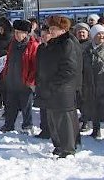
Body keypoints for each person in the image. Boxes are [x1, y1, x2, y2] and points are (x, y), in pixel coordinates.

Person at [36, 16, 80, 158]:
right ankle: (59, 145)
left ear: (63, 30)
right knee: (53, 120)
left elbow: (70, 69)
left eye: (54, 29)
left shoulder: (67, 43)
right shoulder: (54, 43)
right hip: (51, 89)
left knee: (64, 120)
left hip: (62, 89)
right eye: (50, 28)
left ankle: (68, 149)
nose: (51, 31)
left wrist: (54, 83)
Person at [0, 19, 39, 133]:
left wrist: (30, 81)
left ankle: (27, 126)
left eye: (18, 32)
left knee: (26, 107)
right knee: (10, 105)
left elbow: (34, 66)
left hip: (25, 83)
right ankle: (8, 125)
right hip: (12, 80)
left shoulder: (32, 45)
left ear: (25, 33)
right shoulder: (13, 44)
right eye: (15, 32)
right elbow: (8, 61)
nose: (15, 35)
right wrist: (5, 75)